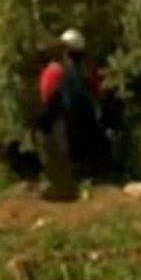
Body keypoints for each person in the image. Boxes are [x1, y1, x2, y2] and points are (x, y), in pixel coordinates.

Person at [35, 29, 111, 200]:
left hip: (63, 124)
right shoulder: (85, 71)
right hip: (83, 123)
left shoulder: (54, 71)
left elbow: (46, 98)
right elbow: (97, 93)